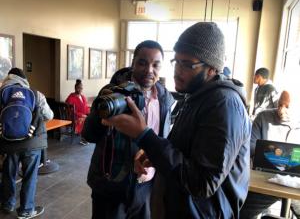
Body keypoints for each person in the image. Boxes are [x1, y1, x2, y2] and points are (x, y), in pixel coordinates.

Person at [101, 22, 251, 218]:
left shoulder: (223, 104)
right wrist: (153, 152)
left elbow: (202, 183)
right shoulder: (198, 96)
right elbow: (189, 151)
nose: (177, 70)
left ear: (212, 69)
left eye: (187, 64)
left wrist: (144, 135)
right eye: (176, 61)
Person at [82, 40, 175, 219]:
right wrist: (99, 112)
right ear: (132, 64)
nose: (149, 70)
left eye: (155, 65)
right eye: (142, 62)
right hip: (112, 186)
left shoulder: (165, 99)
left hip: (147, 188)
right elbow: (88, 135)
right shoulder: (113, 93)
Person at [0, 68, 53, 218]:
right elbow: (49, 116)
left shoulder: (2, 93)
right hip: (32, 142)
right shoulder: (36, 94)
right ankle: (26, 210)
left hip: (8, 142)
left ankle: (7, 204)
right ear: (25, 80)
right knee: (29, 176)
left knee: (8, 175)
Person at [240, 90, 300, 219]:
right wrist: (279, 156)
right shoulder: (264, 117)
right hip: (266, 180)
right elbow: (249, 146)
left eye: (287, 107)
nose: (281, 110)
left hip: (296, 184)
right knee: (241, 211)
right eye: (279, 104)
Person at [66, 79, 90, 145]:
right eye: (78, 88)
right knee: (83, 120)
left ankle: (88, 136)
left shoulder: (83, 97)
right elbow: (70, 111)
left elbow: (85, 108)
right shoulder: (71, 97)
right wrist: (82, 115)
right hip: (74, 117)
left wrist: (88, 115)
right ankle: (83, 139)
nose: (80, 90)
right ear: (75, 88)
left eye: (81, 88)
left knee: (91, 119)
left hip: (82, 116)